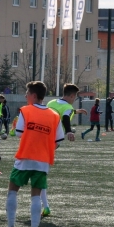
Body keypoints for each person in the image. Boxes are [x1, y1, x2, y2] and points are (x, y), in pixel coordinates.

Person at [6, 81, 64, 227]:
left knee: (12, 191)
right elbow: (58, 140)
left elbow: (18, 134)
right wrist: (45, 147)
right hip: (43, 161)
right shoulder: (54, 115)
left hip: (24, 158)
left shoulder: (25, 111)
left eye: (27, 93)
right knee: (36, 196)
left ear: (33, 95)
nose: (25, 96)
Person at [40, 83, 88, 218]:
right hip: (52, 141)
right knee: (40, 173)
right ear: (72, 96)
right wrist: (68, 131)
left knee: (39, 173)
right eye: (75, 97)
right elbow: (65, 117)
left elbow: (58, 113)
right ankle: (45, 206)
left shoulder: (51, 102)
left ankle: (45, 206)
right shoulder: (68, 107)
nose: (74, 100)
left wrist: (76, 111)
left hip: (41, 137)